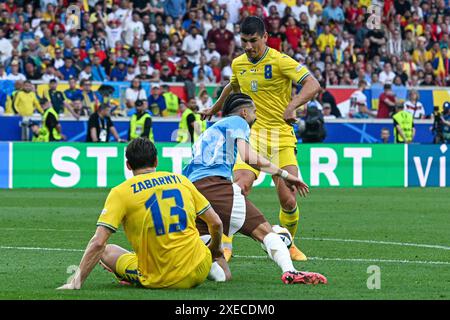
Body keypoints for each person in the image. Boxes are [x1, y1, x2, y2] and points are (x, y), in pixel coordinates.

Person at [201, 16, 321, 261]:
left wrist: (292, 106)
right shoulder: (238, 64)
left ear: (265, 37)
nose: (247, 46)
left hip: (281, 136)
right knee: (239, 186)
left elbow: (313, 84)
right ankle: (225, 243)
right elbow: (232, 87)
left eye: (253, 40)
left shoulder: (280, 61)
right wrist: (214, 108)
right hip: (252, 135)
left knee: (288, 198)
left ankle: (289, 244)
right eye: (243, 41)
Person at [183, 93, 327, 285]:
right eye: (254, 112)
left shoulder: (207, 132)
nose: (256, 116)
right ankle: (290, 271)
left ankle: (178, 268)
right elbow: (249, 157)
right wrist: (286, 175)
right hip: (215, 186)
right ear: (244, 112)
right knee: (266, 232)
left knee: (219, 268)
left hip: (191, 191)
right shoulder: (237, 121)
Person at [57, 137, 230, 290]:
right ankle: (210, 263)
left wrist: (75, 282)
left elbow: (98, 243)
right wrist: (214, 249)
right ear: (156, 161)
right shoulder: (181, 181)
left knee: (106, 251)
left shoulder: (121, 192)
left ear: (128, 165)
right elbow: (216, 223)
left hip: (163, 279)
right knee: (201, 237)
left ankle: (130, 273)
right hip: (200, 266)